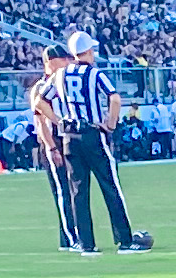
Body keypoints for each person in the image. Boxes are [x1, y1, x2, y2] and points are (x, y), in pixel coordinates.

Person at [34, 37, 151, 257]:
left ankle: (87, 245)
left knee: (78, 191)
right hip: (92, 134)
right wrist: (111, 124)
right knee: (110, 186)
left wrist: (59, 121)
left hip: (70, 137)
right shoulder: (96, 74)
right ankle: (124, 241)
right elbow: (114, 99)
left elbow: (40, 103)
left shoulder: (60, 75)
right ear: (88, 51)